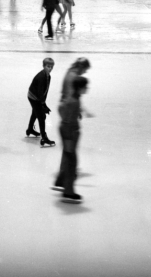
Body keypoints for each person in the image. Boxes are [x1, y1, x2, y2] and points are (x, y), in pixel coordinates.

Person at [52, 75, 89, 204]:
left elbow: (62, 108)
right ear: (79, 88)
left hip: (70, 132)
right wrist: (68, 135)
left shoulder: (75, 99)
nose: (87, 89)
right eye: (85, 87)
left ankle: (61, 182)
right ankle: (68, 191)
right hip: (69, 133)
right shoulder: (72, 101)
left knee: (70, 159)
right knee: (71, 162)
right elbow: (61, 109)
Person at [26, 58, 55, 147]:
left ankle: (30, 129)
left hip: (36, 97)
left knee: (35, 113)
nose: (50, 68)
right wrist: (43, 105)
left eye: (51, 67)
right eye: (48, 66)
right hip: (33, 97)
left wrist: (44, 104)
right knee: (41, 116)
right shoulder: (42, 77)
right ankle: (44, 138)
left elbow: (44, 92)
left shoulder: (48, 76)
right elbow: (39, 93)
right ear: (43, 66)